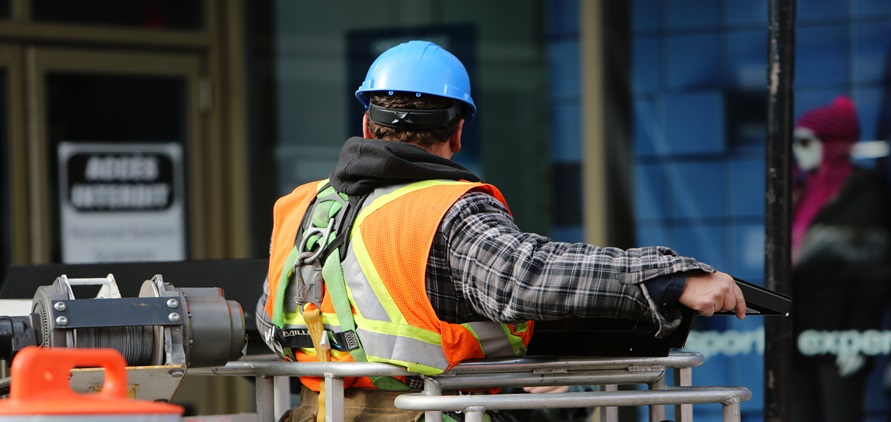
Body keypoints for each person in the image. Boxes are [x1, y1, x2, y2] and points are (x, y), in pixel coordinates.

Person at [256, 40, 746, 422]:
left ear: (366, 125)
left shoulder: (301, 207)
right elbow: (524, 277)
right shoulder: (446, 208)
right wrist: (671, 277)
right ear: (458, 132)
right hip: (428, 414)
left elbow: (271, 319)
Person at [789, 96, 891, 422]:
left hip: (840, 331)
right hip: (797, 330)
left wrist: (860, 337)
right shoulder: (800, 191)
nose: (797, 150)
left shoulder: (863, 190)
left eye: (805, 141)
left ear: (831, 143)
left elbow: (873, 271)